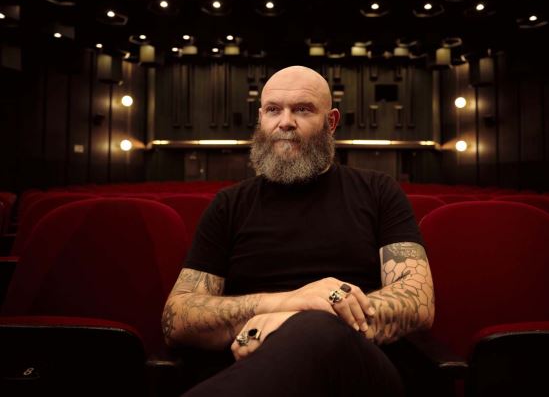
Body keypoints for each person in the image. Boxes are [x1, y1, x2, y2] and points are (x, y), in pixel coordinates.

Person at [162, 65, 435, 396]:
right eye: (273, 110)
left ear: (331, 122)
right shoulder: (228, 205)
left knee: (316, 327)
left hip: (358, 371)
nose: (285, 122)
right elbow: (177, 317)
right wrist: (291, 303)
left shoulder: (379, 191)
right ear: (261, 118)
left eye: (302, 109)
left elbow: (418, 301)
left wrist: (293, 321)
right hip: (248, 361)